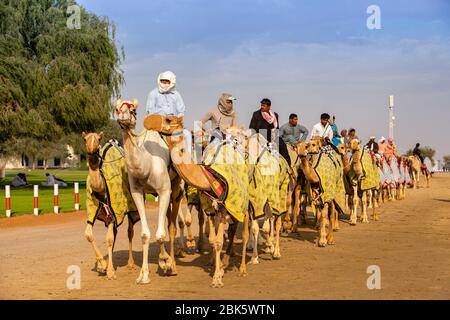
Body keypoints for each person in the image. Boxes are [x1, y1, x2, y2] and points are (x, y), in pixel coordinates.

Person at [145, 71, 192, 156]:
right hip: (158, 127)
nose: (164, 84)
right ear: (159, 81)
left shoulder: (176, 95)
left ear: (171, 83)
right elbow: (150, 113)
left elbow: (181, 111)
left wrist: (177, 122)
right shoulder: (153, 94)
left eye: (167, 82)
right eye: (163, 81)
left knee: (188, 134)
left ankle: (189, 160)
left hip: (173, 126)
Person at [249, 98, 290, 166]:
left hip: (272, 136)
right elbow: (252, 128)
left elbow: (276, 128)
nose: (262, 107)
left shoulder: (275, 115)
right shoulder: (256, 114)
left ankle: (289, 168)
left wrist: (274, 139)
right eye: (261, 105)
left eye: (264, 106)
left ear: (269, 107)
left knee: (282, 145)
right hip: (260, 136)